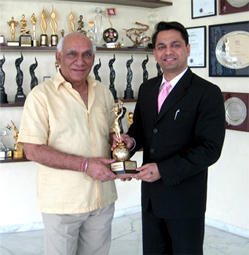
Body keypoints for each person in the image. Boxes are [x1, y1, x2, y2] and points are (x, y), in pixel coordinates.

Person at [112, 21, 226, 254]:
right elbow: (141, 130)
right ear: (155, 53)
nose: (168, 52)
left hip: (185, 200)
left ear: (187, 48)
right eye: (161, 47)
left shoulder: (207, 92)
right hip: (151, 198)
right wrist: (130, 142)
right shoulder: (147, 88)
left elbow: (209, 149)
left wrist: (163, 169)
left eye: (175, 45)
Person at [18, 32, 117, 255]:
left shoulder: (103, 92)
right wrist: (84, 165)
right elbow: (32, 150)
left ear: (94, 58)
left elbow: (111, 132)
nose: (80, 61)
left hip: (102, 198)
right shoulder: (41, 96)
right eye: (72, 54)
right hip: (63, 203)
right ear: (58, 56)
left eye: (87, 55)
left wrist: (121, 142)